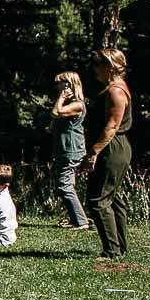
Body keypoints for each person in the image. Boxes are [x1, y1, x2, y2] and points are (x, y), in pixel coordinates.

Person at [82, 47, 133, 259]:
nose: (94, 70)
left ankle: (112, 251)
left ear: (109, 68)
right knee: (113, 198)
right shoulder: (113, 88)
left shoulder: (115, 91)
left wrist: (94, 152)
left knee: (98, 199)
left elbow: (112, 125)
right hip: (113, 146)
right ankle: (120, 246)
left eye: (97, 65)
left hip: (112, 147)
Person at [51, 71, 90, 229]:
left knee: (64, 186)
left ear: (68, 84)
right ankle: (77, 219)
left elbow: (56, 112)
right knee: (65, 185)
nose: (57, 87)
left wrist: (61, 97)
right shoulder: (70, 103)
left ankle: (81, 221)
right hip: (64, 149)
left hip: (71, 150)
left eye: (59, 83)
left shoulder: (77, 104)